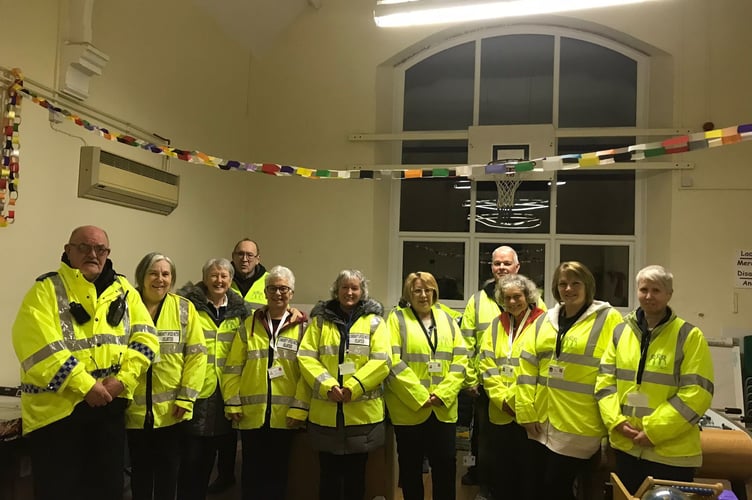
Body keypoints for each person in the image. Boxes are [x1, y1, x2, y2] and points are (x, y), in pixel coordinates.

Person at [11, 225, 159, 500]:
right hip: (58, 416)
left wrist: (123, 380)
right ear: (68, 250)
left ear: (107, 253)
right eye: (84, 247)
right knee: (59, 491)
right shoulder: (45, 290)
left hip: (109, 411)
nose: (93, 253)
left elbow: (147, 340)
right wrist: (85, 386)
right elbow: (38, 347)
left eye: (100, 249)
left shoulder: (124, 290)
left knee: (107, 490)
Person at [595, 265, 714, 494]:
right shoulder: (620, 332)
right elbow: (605, 383)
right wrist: (617, 422)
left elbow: (697, 394)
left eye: (656, 290)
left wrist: (653, 431)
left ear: (669, 294)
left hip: (671, 455)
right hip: (627, 448)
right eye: (644, 289)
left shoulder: (689, 336)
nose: (649, 296)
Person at [515, 261, 622, 500]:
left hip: (580, 426)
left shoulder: (608, 319)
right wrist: (525, 411)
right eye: (562, 283)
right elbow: (525, 367)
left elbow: (619, 369)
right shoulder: (544, 320)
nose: (568, 289)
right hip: (540, 423)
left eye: (576, 283)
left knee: (558, 489)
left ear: (588, 286)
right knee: (535, 489)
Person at [298, 270, 390, 500]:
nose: (349, 292)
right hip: (326, 415)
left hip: (362, 417)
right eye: (344, 288)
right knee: (327, 475)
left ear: (362, 292)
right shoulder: (319, 322)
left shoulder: (375, 322)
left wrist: (354, 387)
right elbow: (306, 357)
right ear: (336, 291)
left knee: (356, 477)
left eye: (355, 288)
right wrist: (328, 386)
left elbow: (382, 360)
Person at [460, 245, 545, 493]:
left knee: (526, 456)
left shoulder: (538, 307)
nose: (502, 267)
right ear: (491, 267)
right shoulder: (477, 301)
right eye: (497, 263)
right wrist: (472, 379)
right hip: (490, 390)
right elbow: (469, 344)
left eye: (507, 263)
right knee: (490, 449)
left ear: (517, 267)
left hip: (527, 396)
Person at [222, 265, 309, 500]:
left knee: (278, 475)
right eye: (272, 288)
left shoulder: (303, 328)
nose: (278, 293)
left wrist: (299, 409)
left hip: (285, 416)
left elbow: (307, 374)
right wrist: (233, 404)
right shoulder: (249, 325)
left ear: (291, 293)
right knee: (251, 475)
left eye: (283, 289)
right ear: (265, 292)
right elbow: (232, 369)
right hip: (251, 415)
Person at [126, 252, 207, 500]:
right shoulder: (126, 306)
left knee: (168, 474)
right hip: (133, 411)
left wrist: (186, 397)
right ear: (141, 276)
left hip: (171, 412)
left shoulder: (184, 308)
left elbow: (197, 355)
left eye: (166, 274)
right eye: (153, 273)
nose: (160, 279)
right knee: (139, 474)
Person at [385, 272, 469, 500]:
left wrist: (442, 393)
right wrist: (420, 395)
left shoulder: (448, 319)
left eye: (428, 290)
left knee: (445, 469)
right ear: (408, 294)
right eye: (417, 291)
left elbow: (461, 359)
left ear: (435, 292)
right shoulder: (397, 319)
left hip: (442, 409)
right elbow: (392, 361)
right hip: (410, 409)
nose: (423, 295)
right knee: (411, 470)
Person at [177, 258, 251, 500]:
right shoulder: (187, 307)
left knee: (215, 454)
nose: (219, 280)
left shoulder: (241, 313)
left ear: (230, 280)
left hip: (227, 392)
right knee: (190, 459)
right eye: (214, 275)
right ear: (204, 277)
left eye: (224, 276)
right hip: (195, 391)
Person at [208, 238, 269, 493]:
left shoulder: (269, 283)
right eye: (240, 254)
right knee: (226, 425)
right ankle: (225, 474)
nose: (245, 259)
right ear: (233, 256)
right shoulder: (222, 281)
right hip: (227, 362)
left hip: (256, 361)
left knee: (253, 428)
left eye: (249, 255)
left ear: (258, 257)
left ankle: (252, 480)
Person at [477, 274, 545, 500]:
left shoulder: (543, 323)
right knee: (502, 471)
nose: (513, 302)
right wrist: (502, 400)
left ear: (528, 296)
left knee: (529, 473)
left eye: (518, 296)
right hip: (500, 411)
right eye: (507, 298)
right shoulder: (496, 324)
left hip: (530, 412)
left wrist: (515, 401)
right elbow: (486, 363)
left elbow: (541, 369)